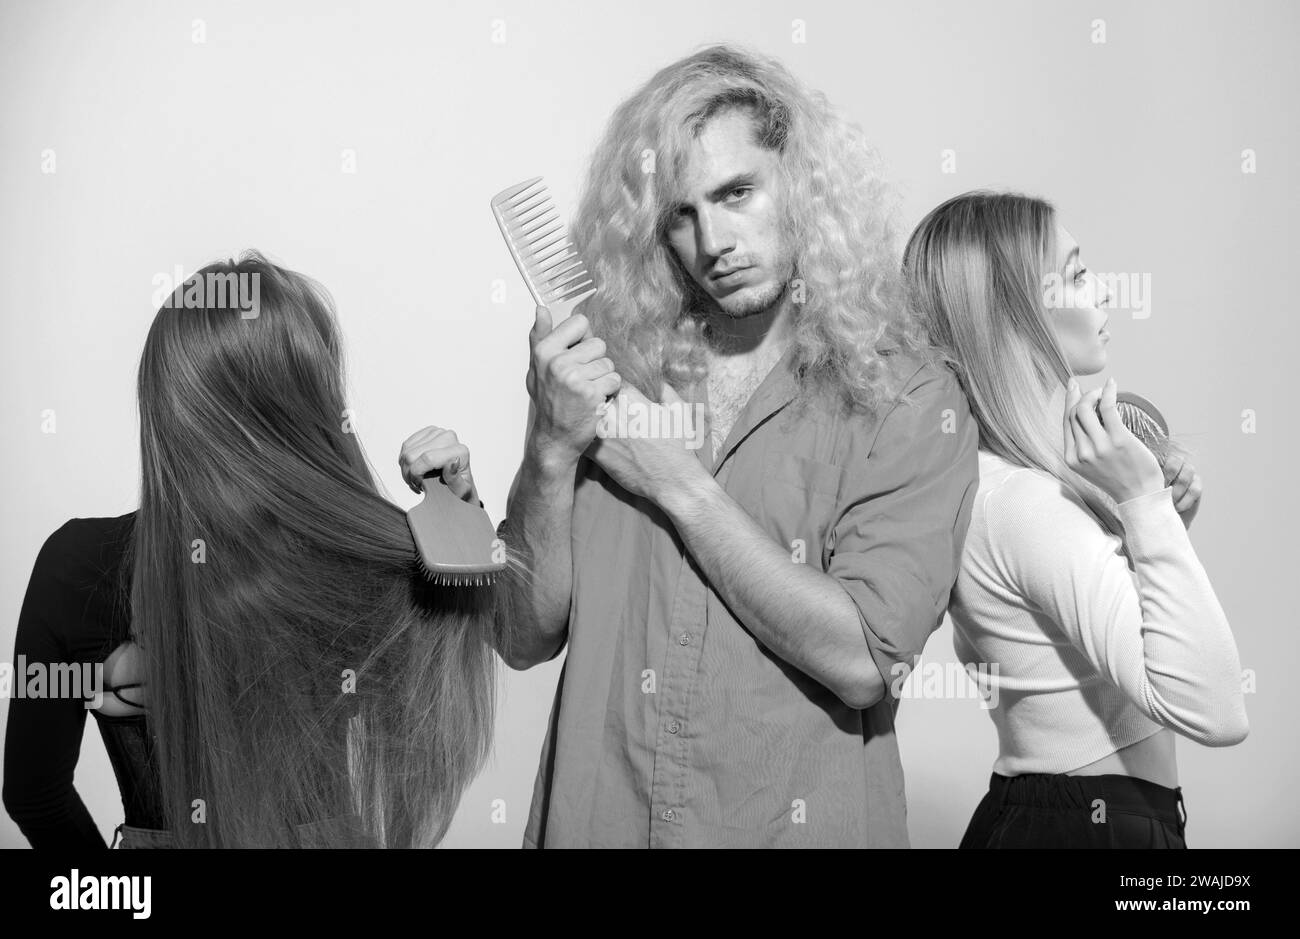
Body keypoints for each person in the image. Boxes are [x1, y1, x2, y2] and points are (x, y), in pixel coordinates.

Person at [402, 44, 978, 847]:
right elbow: (524, 632)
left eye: (737, 192)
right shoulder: (610, 371)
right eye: (681, 212)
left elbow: (861, 659)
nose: (714, 241)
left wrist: (680, 485)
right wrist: (553, 451)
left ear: (802, 182)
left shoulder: (908, 398)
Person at [3, 252, 504, 849]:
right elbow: (454, 678)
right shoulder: (368, 562)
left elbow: (32, 793)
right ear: (309, 402)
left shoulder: (77, 564)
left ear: (164, 403)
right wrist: (458, 514)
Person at [902, 191, 1248, 848]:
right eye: (1079, 273)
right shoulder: (1027, 505)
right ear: (1019, 313)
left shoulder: (1010, 488)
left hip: (1076, 820)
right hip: (1083, 829)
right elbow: (1217, 708)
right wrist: (1145, 507)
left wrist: (1156, 528)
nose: (1105, 291)